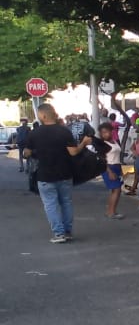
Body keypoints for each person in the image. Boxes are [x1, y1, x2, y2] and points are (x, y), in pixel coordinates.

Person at [23, 104, 86, 243]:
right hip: (65, 173)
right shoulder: (64, 131)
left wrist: (31, 152)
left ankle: (59, 233)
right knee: (66, 202)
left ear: (43, 115)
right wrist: (83, 143)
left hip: (45, 175)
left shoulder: (34, 133)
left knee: (50, 204)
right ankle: (67, 231)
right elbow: (73, 152)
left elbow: (26, 153)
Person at [98, 122, 125, 220]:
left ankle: (110, 210)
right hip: (109, 167)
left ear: (111, 131)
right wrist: (109, 172)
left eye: (106, 132)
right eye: (102, 133)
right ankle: (111, 212)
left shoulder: (114, 141)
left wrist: (120, 170)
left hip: (116, 166)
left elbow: (117, 156)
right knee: (116, 190)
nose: (105, 134)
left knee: (116, 190)